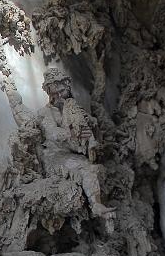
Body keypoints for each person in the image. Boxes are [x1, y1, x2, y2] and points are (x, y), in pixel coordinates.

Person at [36, 68, 114, 220]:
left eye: (62, 91)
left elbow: (85, 127)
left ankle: (97, 204)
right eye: (54, 93)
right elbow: (52, 133)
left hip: (73, 153)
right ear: (48, 92)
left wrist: (90, 130)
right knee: (86, 169)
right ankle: (95, 205)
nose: (59, 96)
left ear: (67, 88)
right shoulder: (45, 113)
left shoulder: (73, 108)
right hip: (55, 156)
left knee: (91, 169)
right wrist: (72, 134)